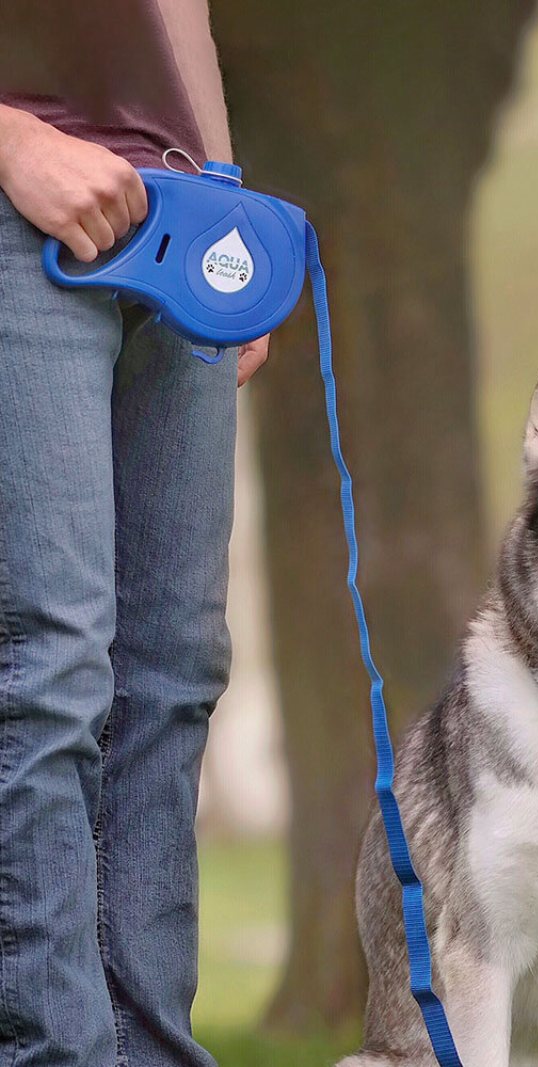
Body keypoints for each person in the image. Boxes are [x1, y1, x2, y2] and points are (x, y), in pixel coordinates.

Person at [0, 3, 268, 1064]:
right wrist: (13, 140)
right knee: (50, 660)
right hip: (21, 195)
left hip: (181, 217)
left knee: (171, 672)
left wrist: (227, 197)